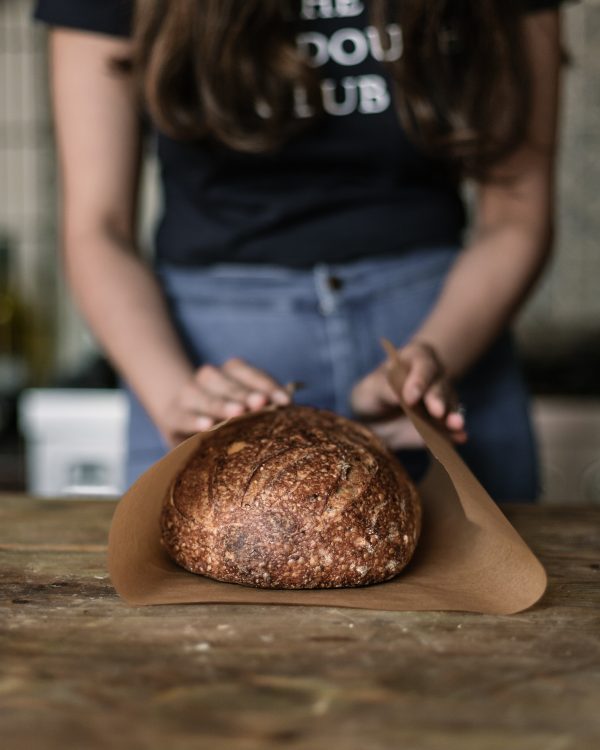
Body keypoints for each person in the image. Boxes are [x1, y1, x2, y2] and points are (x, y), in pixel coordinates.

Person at [34, 0, 563, 500]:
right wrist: (174, 394)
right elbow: (97, 229)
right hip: (203, 360)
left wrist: (433, 361)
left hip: (446, 341)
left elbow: (516, 215)